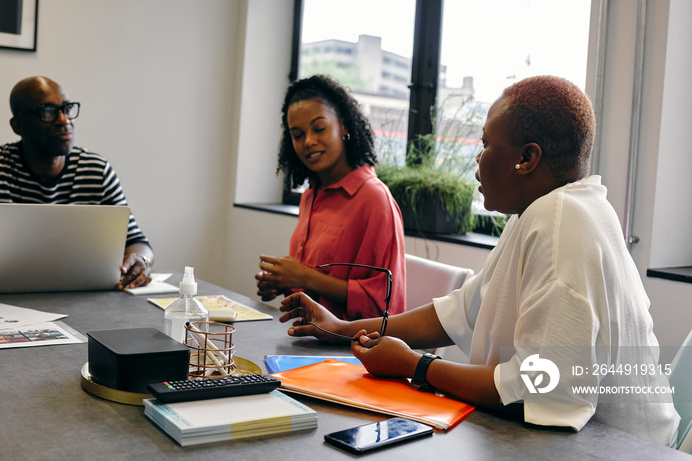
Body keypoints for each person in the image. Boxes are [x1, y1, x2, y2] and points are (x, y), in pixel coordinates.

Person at [277, 75, 680, 446]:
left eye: (486, 144)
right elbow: (457, 314)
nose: (477, 158)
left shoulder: (560, 222)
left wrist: (416, 366)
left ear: (527, 158)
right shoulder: (541, 211)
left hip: (621, 448)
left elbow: (538, 388)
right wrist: (341, 329)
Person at [255, 74, 406, 320]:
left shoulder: (374, 200)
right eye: (297, 134)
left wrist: (303, 277)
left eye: (319, 128)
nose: (309, 141)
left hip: (351, 351)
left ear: (343, 126)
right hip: (305, 338)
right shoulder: (309, 196)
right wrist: (285, 284)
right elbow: (317, 292)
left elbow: (383, 304)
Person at [0, 76, 153, 289]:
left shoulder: (96, 170)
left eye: (67, 109)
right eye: (47, 111)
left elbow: (137, 242)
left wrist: (140, 262)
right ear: (18, 126)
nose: (64, 120)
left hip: (83, 296)